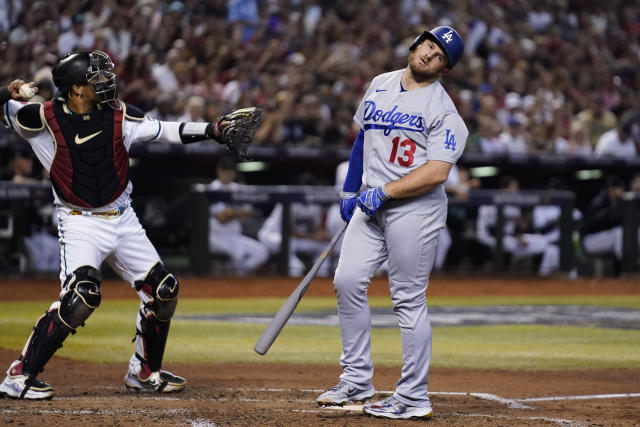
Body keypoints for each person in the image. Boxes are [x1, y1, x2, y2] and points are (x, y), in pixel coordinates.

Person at [0, 50, 252, 400]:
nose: (106, 83)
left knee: (163, 290)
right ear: (75, 89)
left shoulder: (119, 115)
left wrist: (213, 129)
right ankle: (19, 374)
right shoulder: (40, 117)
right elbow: (5, 109)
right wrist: (7, 93)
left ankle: (144, 371)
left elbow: (167, 130)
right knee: (80, 298)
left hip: (123, 216)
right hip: (78, 221)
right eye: (96, 78)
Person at [316, 26, 467, 420]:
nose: (429, 55)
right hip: (369, 205)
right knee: (346, 281)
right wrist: (350, 190)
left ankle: (414, 397)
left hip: (415, 210)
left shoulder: (444, 111)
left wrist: (385, 192)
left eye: (439, 56)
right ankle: (356, 379)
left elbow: (436, 172)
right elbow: (362, 139)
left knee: (408, 300)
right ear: (416, 45)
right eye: (428, 46)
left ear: (444, 69)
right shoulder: (381, 83)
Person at [208, 155, 268, 275]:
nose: (227, 174)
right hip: (216, 237)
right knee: (239, 254)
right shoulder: (213, 188)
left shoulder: (237, 188)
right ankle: (236, 283)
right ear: (218, 171)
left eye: (230, 171)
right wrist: (236, 213)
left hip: (235, 236)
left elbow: (249, 212)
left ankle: (238, 278)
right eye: (225, 171)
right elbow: (221, 218)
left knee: (262, 252)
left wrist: (231, 213)